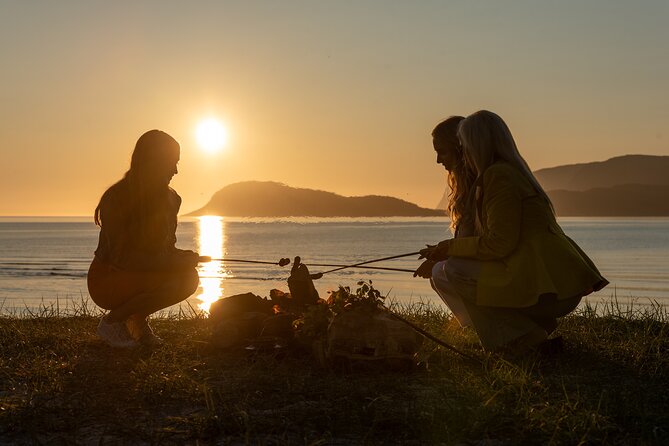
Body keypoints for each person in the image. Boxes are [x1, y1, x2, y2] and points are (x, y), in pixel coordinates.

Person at [419, 110, 608, 354]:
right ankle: (518, 332)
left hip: (547, 290)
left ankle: (524, 337)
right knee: (447, 269)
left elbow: (499, 243)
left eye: (463, 145)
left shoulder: (499, 177)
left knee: (454, 270)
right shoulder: (505, 173)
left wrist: (448, 249)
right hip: (549, 284)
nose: (462, 153)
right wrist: (444, 251)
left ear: (476, 144)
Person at [87, 130, 202, 348]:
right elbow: (123, 259)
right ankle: (112, 322)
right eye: (171, 162)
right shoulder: (118, 197)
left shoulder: (172, 199)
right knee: (182, 277)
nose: (176, 170)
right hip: (109, 278)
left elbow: (165, 249)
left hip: (142, 272)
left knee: (188, 277)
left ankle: (136, 321)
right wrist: (173, 262)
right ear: (153, 161)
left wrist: (182, 256)